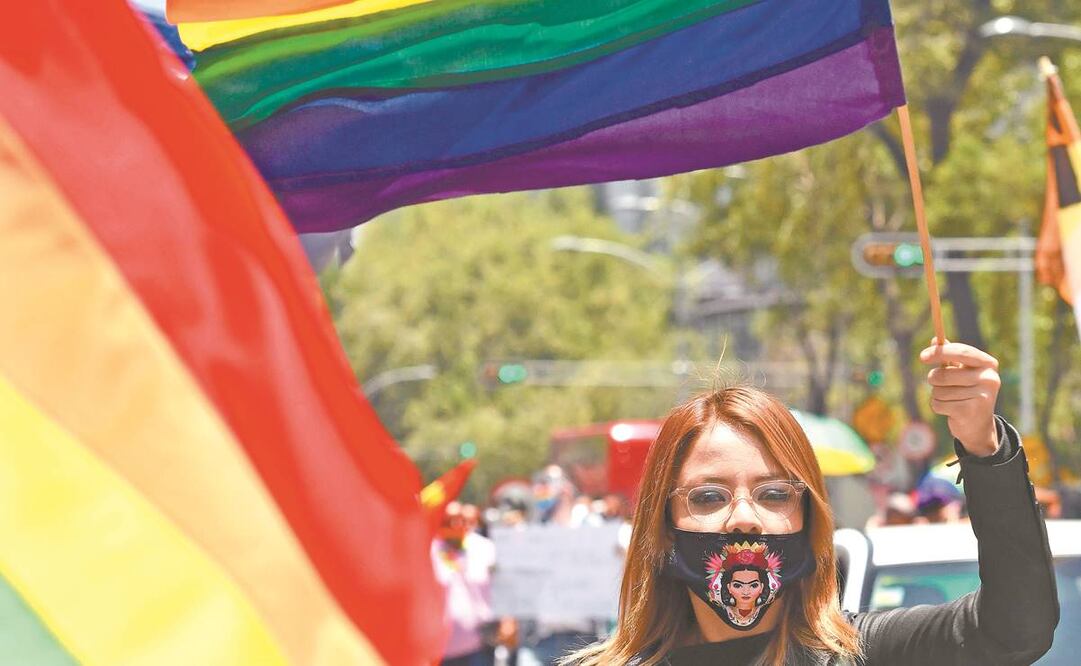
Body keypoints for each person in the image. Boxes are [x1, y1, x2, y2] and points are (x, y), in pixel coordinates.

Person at [565, 342, 1058, 665]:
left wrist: (983, 446)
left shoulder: (864, 654)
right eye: (709, 496)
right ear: (664, 522)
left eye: (774, 493)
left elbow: (1017, 629)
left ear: (807, 516)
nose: (743, 517)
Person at [434, 501, 497, 666]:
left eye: (459, 519)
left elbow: (505, 587)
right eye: (448, 520)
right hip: (441, 650)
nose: (455, 525)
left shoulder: (484, 547)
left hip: (481, 645)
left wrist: (508, 620)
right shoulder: (428, 550)